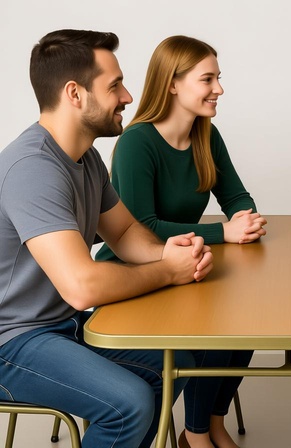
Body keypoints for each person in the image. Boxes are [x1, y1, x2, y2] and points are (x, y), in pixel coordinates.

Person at [0, 30, 214, 448]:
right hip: (12, 342)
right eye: (114, 85)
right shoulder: (33, 168)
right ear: (75, 93)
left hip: (61, 328)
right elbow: (82, 287)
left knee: (174, 366)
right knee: (128, 403)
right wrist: (168, 273)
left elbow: (126, 233)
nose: (128, 96)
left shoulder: (86, 157)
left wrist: (166, 253)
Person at [95, 35, 265, 448]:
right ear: (173, 83)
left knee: (243, 327)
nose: (219, 89)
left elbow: (238, 198)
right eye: (208, 79)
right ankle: (197, 433)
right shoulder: (137, 142)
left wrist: (242, 216)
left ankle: (209, 424)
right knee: (212, 332)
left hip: (186, 265)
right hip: (135, 269)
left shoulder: (207, 134)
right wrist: (222, 232)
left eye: (218, 78)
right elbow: (141, 227)